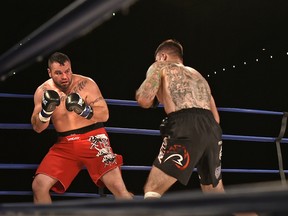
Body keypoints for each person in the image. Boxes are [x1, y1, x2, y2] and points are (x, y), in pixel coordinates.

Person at [31, 52, 132, 204]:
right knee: (39, 185)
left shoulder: (87, 84)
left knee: (118, 188)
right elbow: (38, 128)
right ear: (49, 72)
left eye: (67, 71)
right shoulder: (42, 91)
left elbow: (104, 115)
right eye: (58, 73)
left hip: (94, 138)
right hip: (65, 144)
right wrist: (45, 113)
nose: (65, 77)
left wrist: (85, 110)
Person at [135, 39, 224, 199]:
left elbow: (144, 99)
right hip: (212, 130)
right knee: (215, 195)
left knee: (153, 188)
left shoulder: (159, 66)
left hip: (186, 125)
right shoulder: (198, 76)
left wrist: (156, 68)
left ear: (162, 56)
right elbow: (216, 117)